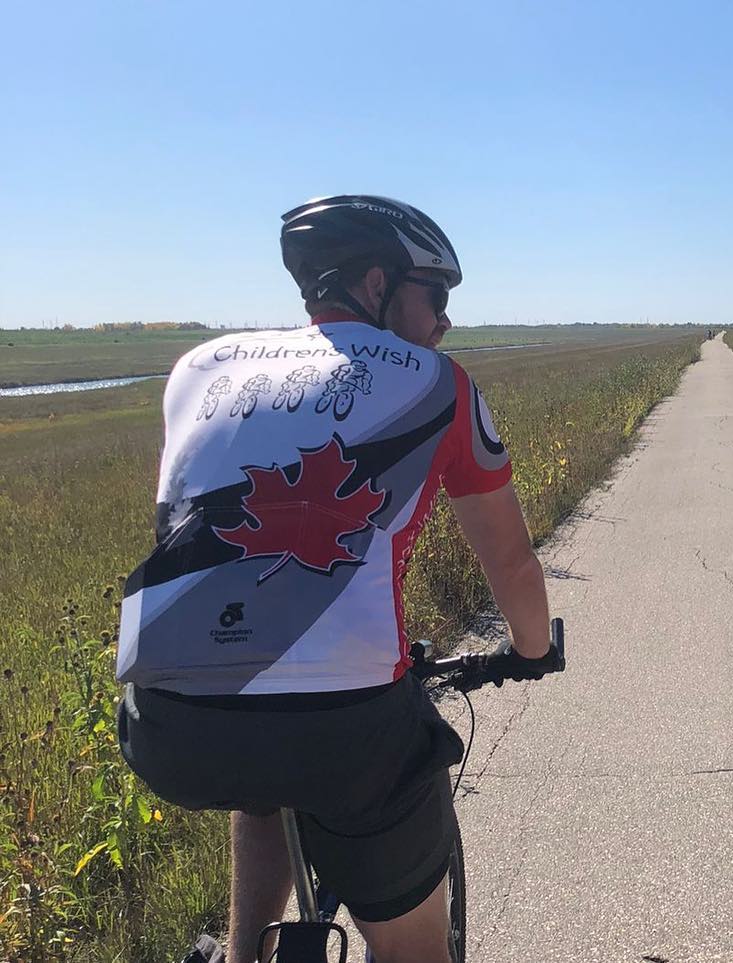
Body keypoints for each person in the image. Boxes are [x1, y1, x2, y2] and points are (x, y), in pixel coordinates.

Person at [117, 195, 555, 963]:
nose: (446, 321)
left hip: (169, 725)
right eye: (437, 295)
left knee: (262, 768)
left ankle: (243, 951)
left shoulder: (198, 369)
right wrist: (530, 648)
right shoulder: (437, 382)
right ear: (378, 284)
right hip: (353, 733)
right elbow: (512, 562)